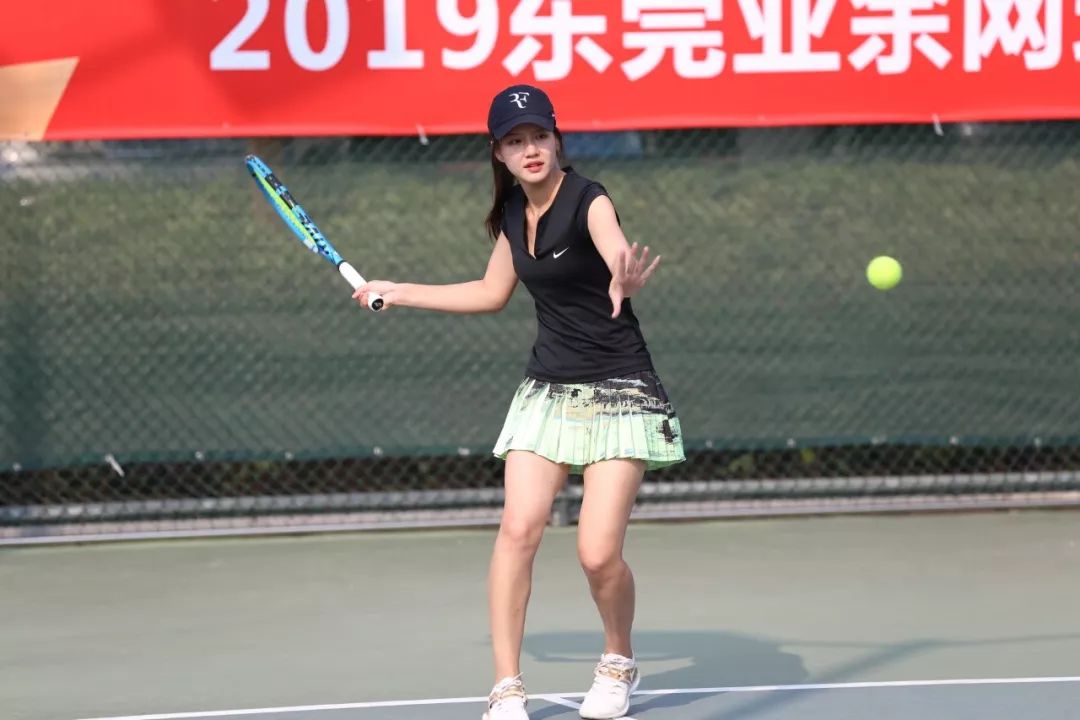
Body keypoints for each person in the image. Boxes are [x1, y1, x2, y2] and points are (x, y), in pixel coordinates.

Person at [352, 84, 685, 720]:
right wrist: (400, 291)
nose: (530, 149)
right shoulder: (511, 215)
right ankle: (506, 687)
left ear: (557, 140)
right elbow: (489, 291)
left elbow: (614, 246)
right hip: (547, 391)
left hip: (621, 389)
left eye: (538, 136)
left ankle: (618, 660)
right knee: (517, 530)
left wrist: (624, 274)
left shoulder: (589, 199)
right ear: (499, 154)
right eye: (515, 141)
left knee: (597, 553)